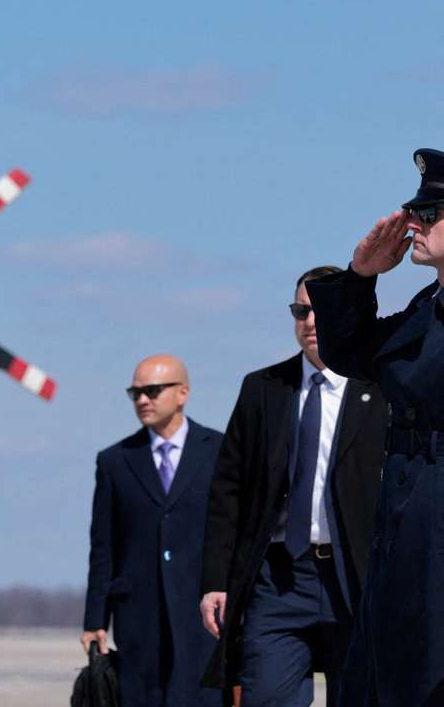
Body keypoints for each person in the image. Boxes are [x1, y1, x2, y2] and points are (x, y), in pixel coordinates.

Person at [199, 266, 387, 706]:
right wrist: (215, 581)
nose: (311, 322)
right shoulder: (262, 389)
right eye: (301, 311)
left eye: (322, 310)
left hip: (356, 577)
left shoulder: (382, 388)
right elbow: (228, 491)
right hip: (278, 580)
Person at [306, 148, 444, 705]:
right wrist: (360, 277)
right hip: (406, 516)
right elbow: (351, 353)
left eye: (430, 215)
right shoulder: (427, 305)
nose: (414, 225)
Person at [82, 355, 222, 707]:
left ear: (183, 393)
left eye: (153, 391)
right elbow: (103, 547)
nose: (143, 400)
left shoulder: (221, 451)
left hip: (204, 617)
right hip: (138, 619)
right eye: (136, 393)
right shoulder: (114, 461)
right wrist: (95, 620)